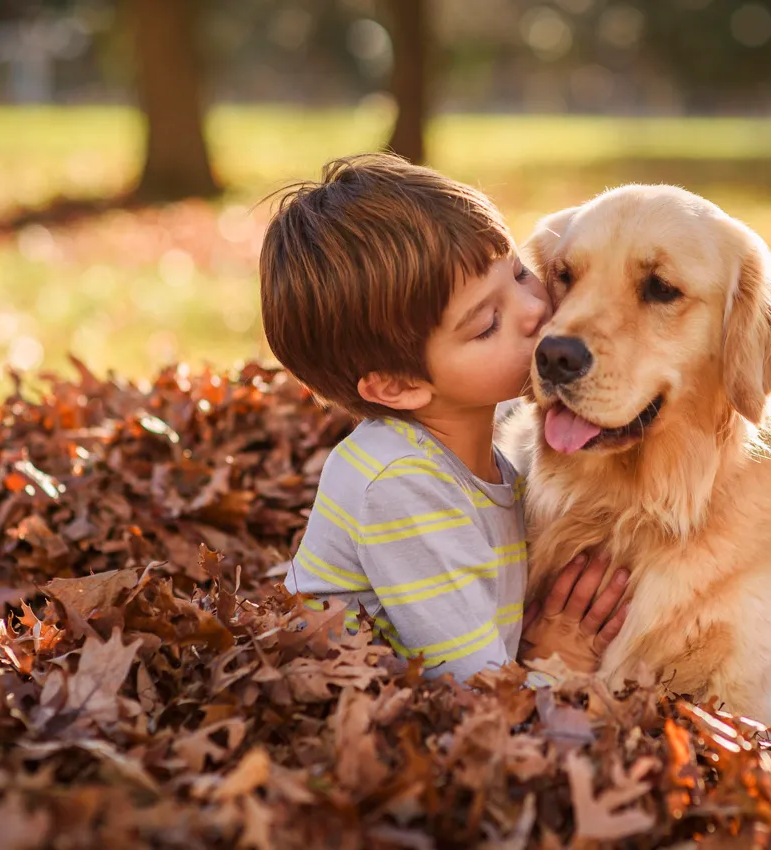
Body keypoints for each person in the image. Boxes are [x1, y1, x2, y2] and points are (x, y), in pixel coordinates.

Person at [259, 153, 628, 683]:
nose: (533, 310)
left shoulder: (480, 454)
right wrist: (555, 663)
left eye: (520, 273)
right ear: (399, 385)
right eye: (486, 325)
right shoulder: (402, 485)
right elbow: (477, 696)